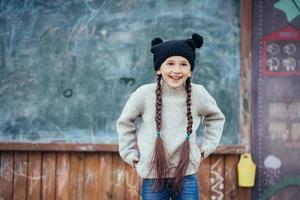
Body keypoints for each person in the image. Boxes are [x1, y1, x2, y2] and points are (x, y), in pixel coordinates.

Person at [116, 33, 225, 200]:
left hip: (186, 174)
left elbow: (216, 118)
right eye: (170, 64)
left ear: (190, 71)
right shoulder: (144, 94)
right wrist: (129, 153)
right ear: (159, 69)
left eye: (183, 64)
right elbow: (125, 122)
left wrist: (206, 147)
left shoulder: (199, 94)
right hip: (153, 175)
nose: (176, 70)